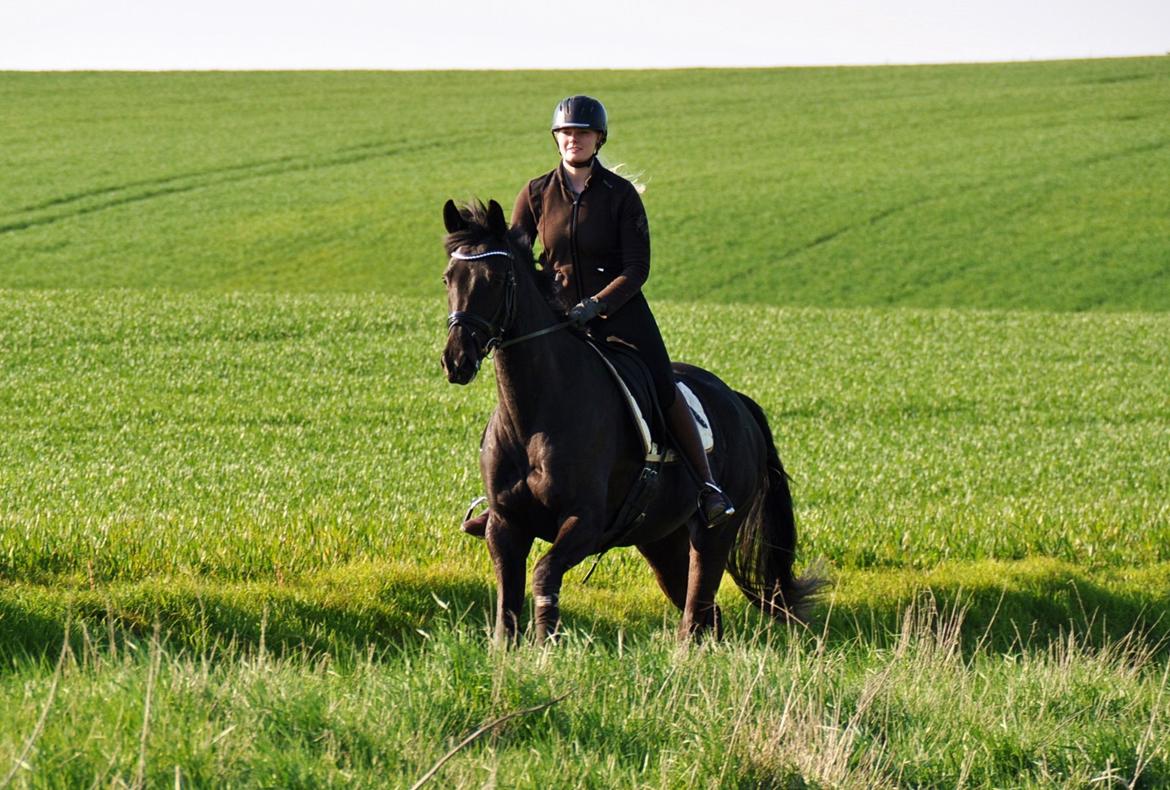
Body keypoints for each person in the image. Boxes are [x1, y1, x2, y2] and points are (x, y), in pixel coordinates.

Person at [461, 94, 734, 536]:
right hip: (558, 320)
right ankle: (504, 503)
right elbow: (514, 255)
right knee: (521, 397)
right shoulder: (535, 193)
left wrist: (598, 305)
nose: (575, 140)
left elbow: (637, 269)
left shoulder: (620, 195)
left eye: (583, 133)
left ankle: (706, 486)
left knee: (663, 386)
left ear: (598, 139)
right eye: (567, 132)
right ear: (557, 138)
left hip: (619, 316)